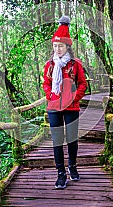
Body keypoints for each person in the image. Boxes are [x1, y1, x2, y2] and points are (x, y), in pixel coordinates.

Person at [43, 15, 87, 189]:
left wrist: (74, 98)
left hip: (72, 107)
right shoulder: (50, 65)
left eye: (60, 46)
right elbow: (46, 83)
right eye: (55, 46)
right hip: (54, 107)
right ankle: (60, 173)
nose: (57, 49)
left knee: (72, 139)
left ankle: (73, 166)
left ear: (67, 46)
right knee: (57, 140)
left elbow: (83, 84)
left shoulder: (75, 65)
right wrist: (50, 95)